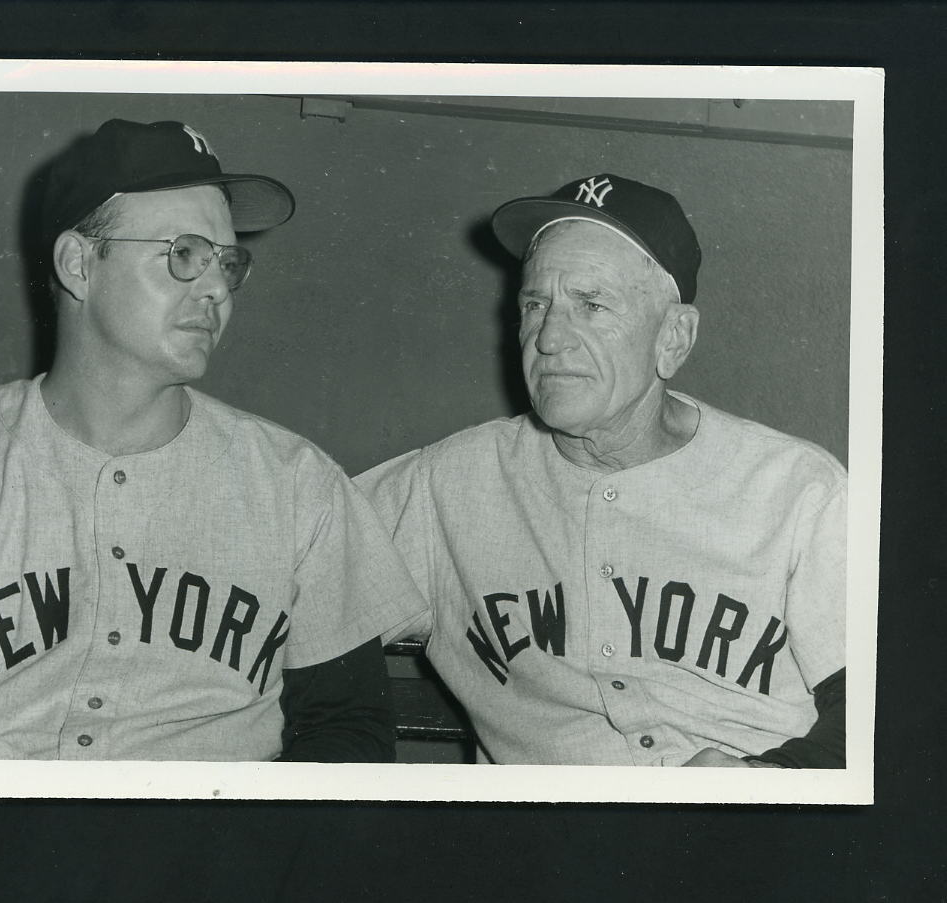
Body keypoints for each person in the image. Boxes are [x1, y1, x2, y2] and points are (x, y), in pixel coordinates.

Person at [0, 119, 424, 762]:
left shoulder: (298, 484)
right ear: (78, 264)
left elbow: (346, 727)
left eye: (227, 262)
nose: (216, 288)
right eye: (185, 253)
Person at [358, 173, 847, 767]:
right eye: (536, 305)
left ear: (674, 337)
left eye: (592, 305)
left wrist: (768, 778)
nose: (550, 338)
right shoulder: (441, 485)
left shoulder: (798, 490)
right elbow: (279, 586)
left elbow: (884, 714)